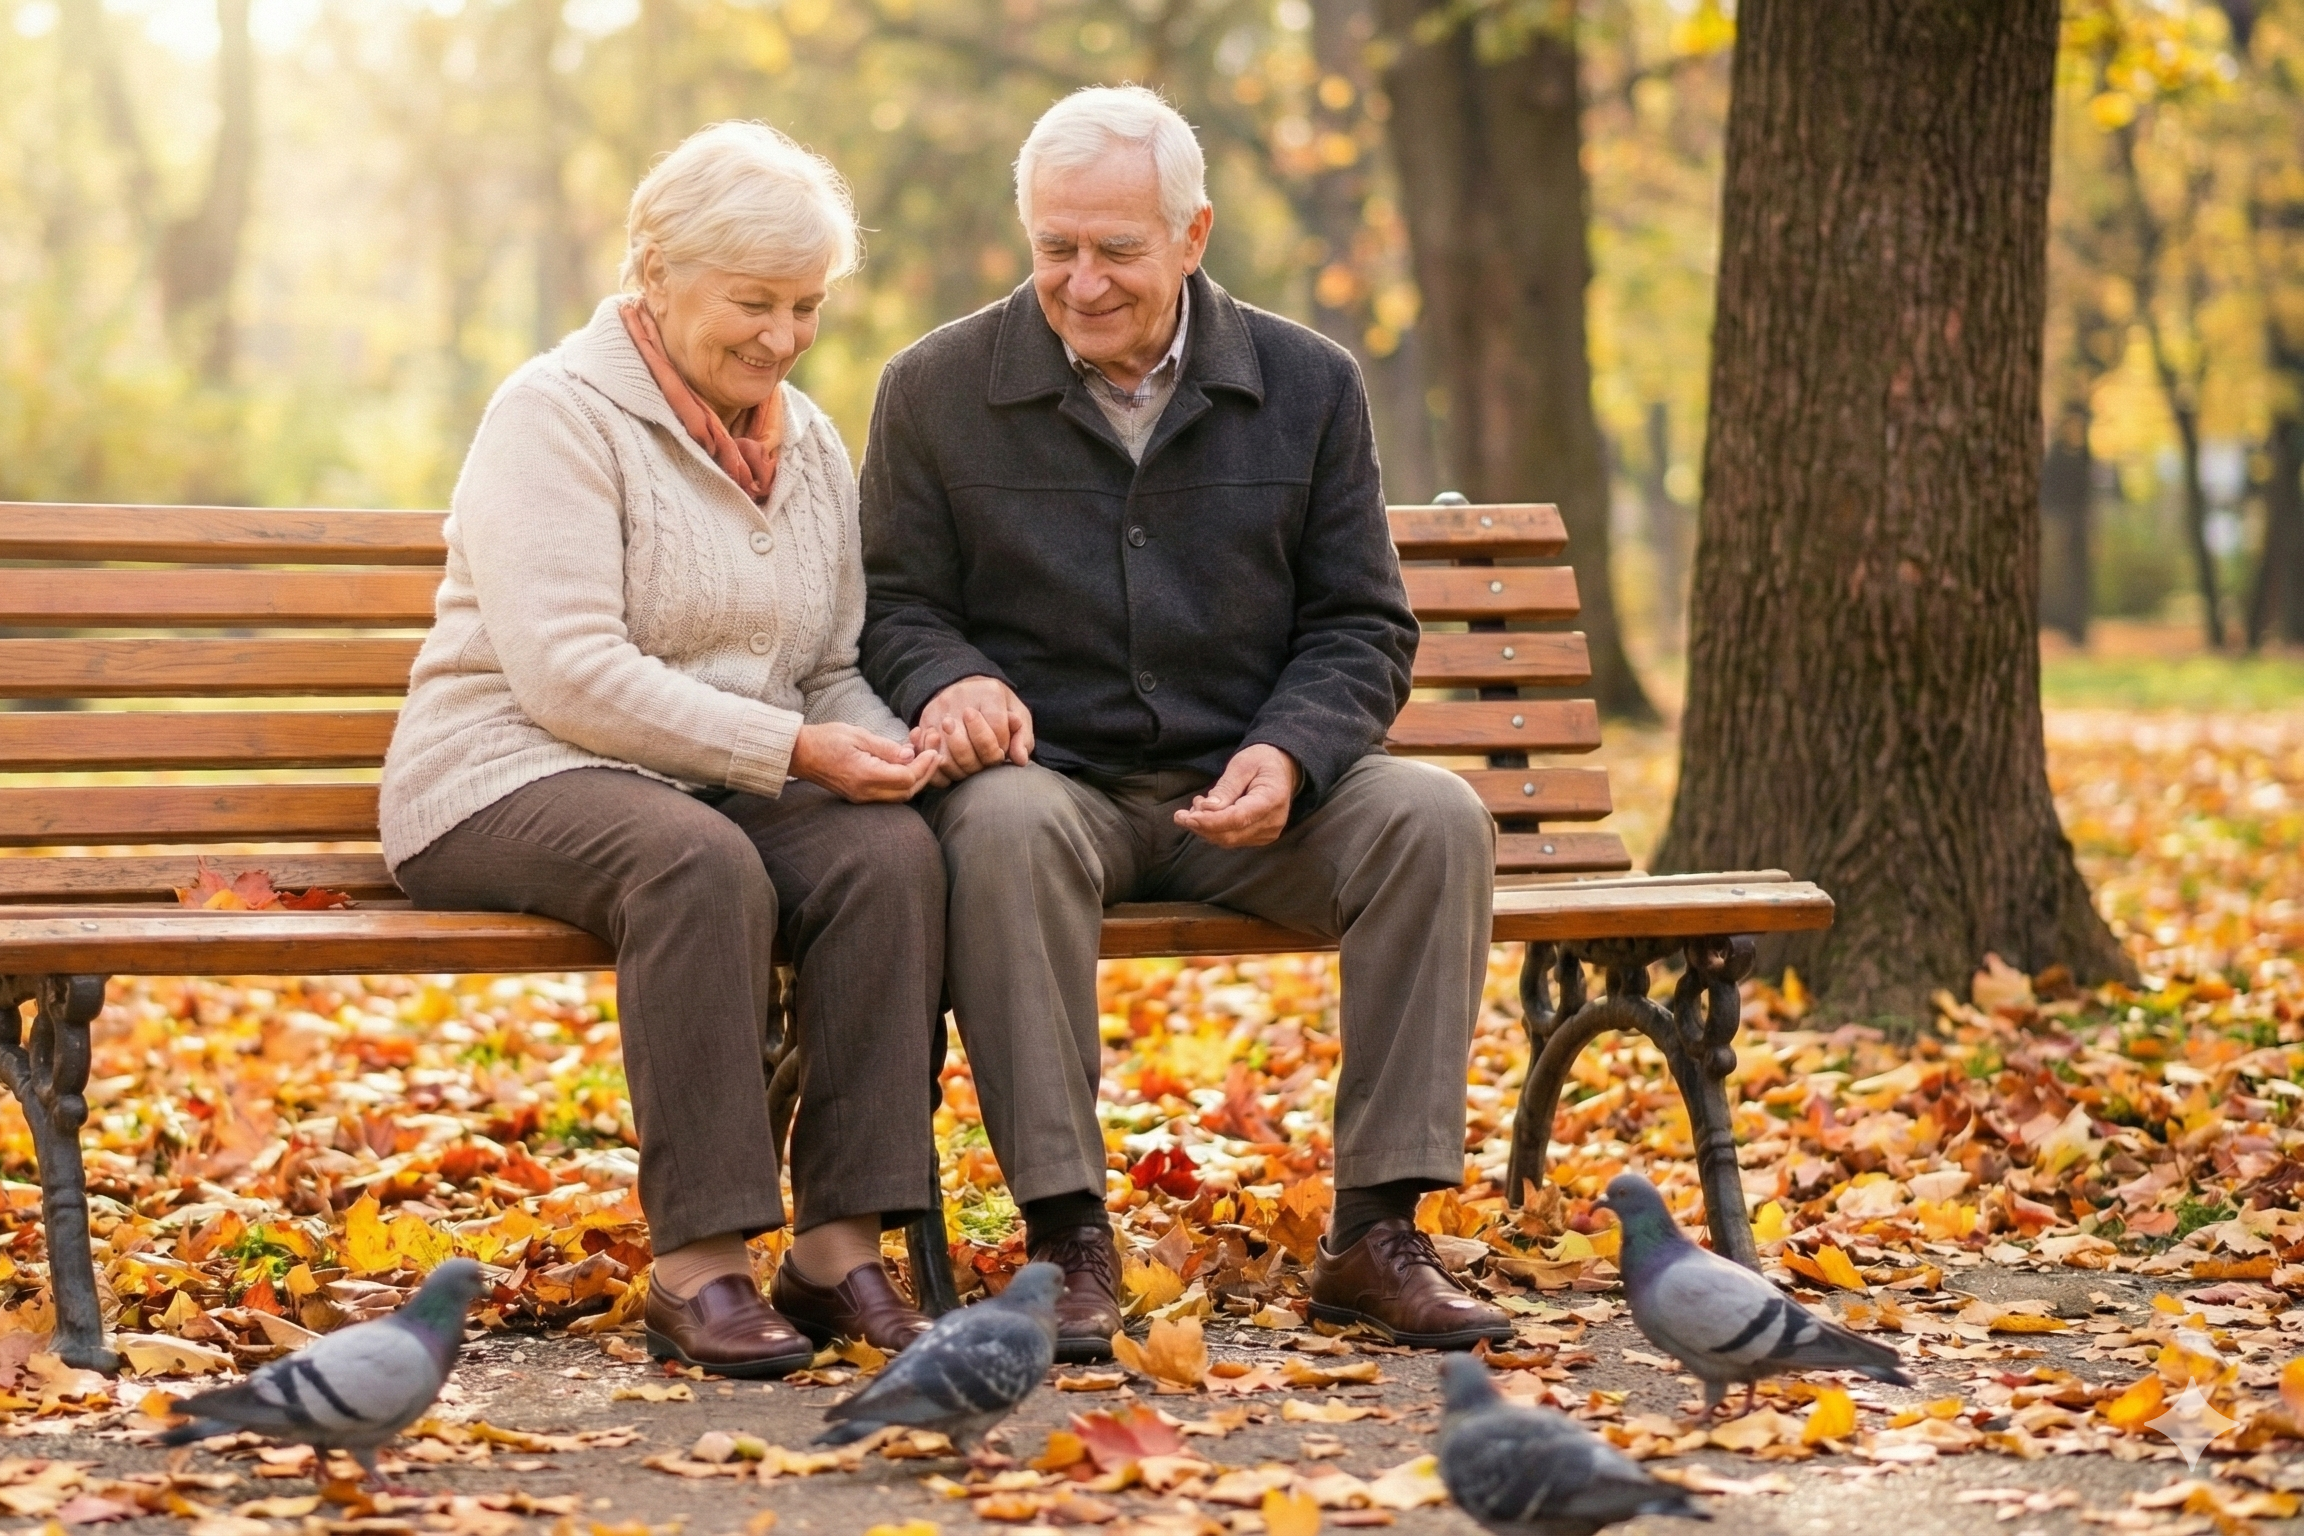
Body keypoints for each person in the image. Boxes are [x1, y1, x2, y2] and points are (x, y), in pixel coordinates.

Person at [859, 87, 1514, 1361]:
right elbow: (890, 605)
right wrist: (948, 678)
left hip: (1256, 795)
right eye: (1056, 248)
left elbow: (1360, 624)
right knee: (996, 828)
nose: (1083, 281)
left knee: (1434, 816)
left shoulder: (1308, 385)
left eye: (1117, 248)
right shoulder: (932, 389)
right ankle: (1067, 1238)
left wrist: (1291, 750)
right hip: (1053, 785)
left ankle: (1374, 1234)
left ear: (1192, 233)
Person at [383, 122, 948, 1377]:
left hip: (708, 778)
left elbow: (828, 665)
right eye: (753, 301)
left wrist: (890, 747)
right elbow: (567, 674)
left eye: (804, 306)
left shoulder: (804, 442)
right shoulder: (555, 416)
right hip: (504, 769)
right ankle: (698, 1268)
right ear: (653, 269)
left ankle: (837, 1250)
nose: (782, 338)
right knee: (697, 866)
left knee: (887, 854)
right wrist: (798, 748)